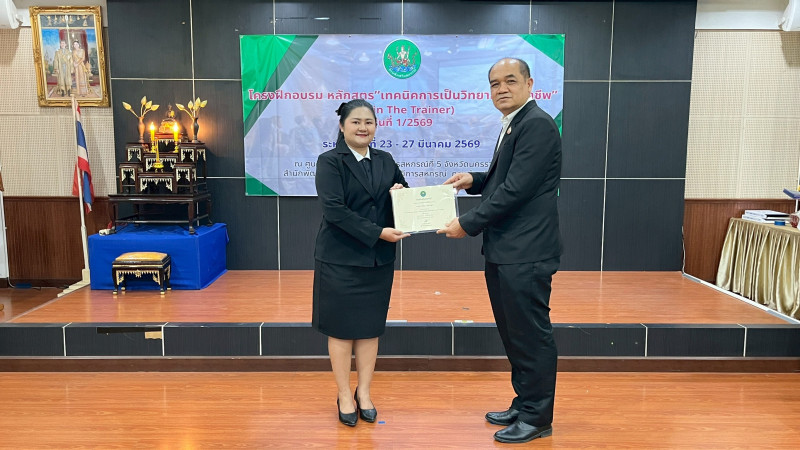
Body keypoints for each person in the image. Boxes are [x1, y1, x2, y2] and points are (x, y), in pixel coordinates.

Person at [437, 57, 562, 444]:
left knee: (531, 335)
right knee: (514, 333)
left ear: (530, 84)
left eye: (510, 80)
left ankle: (537, 416)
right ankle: (524, 403)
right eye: (494, 83)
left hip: (526, 251)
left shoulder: (536, 124)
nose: (501, 89)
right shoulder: (516, 123)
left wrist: (467, 223)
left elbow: (516, 190)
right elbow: (506, 179)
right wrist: (474, 180)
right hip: (508, 250)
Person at [312, 99, 410, 427]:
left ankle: (364, 392)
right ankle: (343, 394)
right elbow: (334, 211)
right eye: (355, 121)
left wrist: (400, 194)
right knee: (341, 331)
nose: (363, 127)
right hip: (340, 258)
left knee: (370, 329)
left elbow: (404, 196)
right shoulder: (330, 161)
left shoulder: (385, 160)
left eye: (369, 122)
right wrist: (378, 232)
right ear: (342, 126)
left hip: (378, 260)